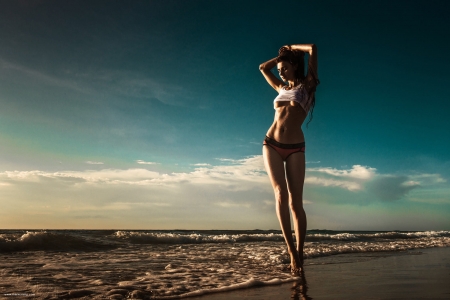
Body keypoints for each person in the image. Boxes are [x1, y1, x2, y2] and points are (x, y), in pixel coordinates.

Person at [259, 44, 319, 275]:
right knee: (280, 194)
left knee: (296, 203)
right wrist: (281, 57)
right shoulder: (281, 87)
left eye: (285, 68)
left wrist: (293, 49)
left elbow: (313, 49)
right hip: (271, 143)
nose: (281, 72)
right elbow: (263, 67)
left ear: (295, 67)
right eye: (280, 69)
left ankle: (300, 252)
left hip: (295, 148)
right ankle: (291, 251)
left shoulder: (308, 86)